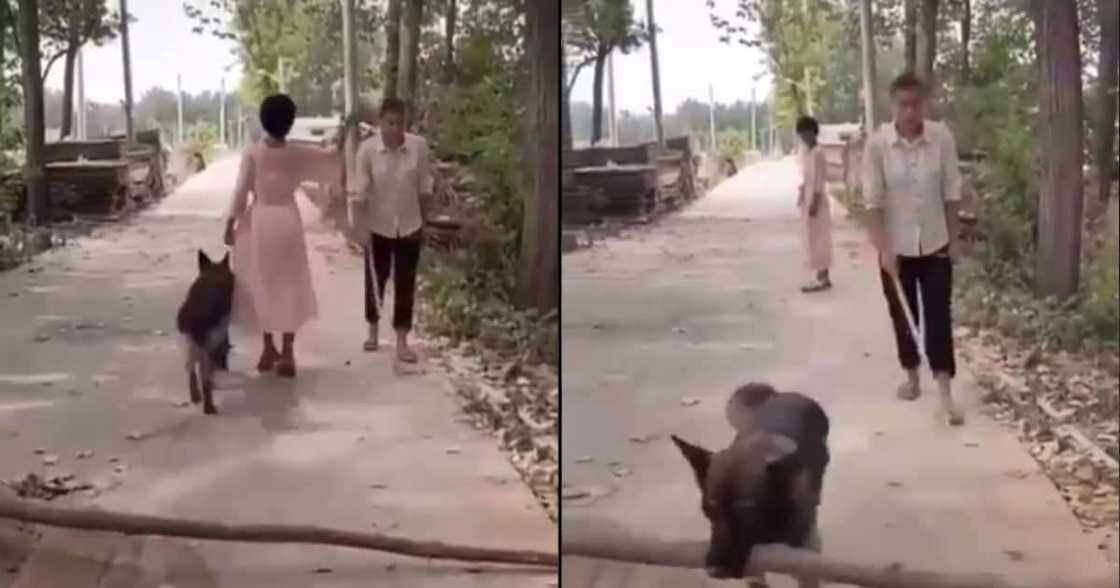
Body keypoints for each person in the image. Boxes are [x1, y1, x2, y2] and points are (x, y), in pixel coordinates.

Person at [862, 72, 965, 426]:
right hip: (897, 248)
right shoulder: (878, 145)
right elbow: (873, 200)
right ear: (894, 106)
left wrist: (954, 239)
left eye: (916, 103)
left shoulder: (941, 138)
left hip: (935, 242)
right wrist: (882, 248)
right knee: (904, 317)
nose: (910, 111)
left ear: (925, 103)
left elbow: (952, 191)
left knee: (939, 317)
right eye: (903, 104)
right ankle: (911, 376)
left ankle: (946, 393)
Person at [224, 94, 343, 378]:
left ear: (263, 120)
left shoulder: (252, 152)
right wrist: (344, 138)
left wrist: (230, 222)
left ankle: (267, 349)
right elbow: (329, 162)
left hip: (260, 220)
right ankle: (288, 352)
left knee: (261, 282)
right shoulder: (296, 153)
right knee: (289, 282)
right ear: (289, 124)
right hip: (287, 219)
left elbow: (241, 190)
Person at [347, 97, 434, 363]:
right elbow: (359, 195)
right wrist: (360, 230)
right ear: (380, 123)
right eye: (390, 123)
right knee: (376, 280)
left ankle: (401, 341)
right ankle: (373, 332)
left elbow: (425, 188)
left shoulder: (418, 148)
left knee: (405, 285)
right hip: (378, 225)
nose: (395, 129)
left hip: (410, 224)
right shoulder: (367, 151)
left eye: (400, 123)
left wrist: (425, 223)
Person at [795, 116, 833, 293]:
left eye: (806, 133)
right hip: (808, 197)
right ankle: (820, 274)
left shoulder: (818, 152)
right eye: (801, 134)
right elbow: (806, 177)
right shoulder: (806, 152)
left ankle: (823, 276)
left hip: (817, 199)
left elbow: (819, 179)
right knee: (811, 238)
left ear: (813, 133)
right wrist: (802, 195)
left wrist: (815, 202)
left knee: (820, 239)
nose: (804, 137)